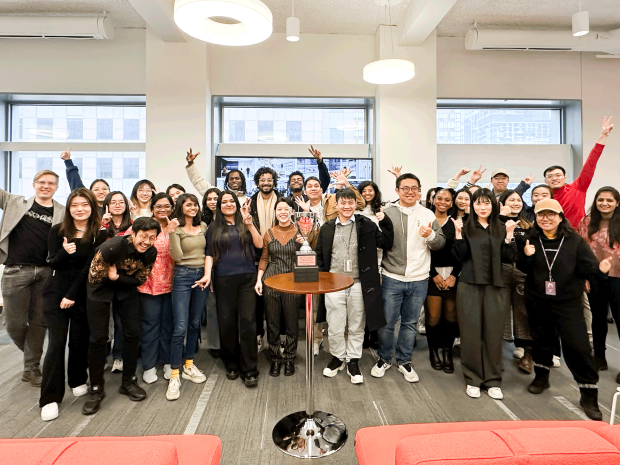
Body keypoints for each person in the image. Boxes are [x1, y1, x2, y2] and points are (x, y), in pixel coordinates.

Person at [519, 198, 609, 421]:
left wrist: (601, 270)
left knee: (577, 346)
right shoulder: (531, 238)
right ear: (536, 218)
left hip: (567, 303)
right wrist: (526, 256)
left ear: (560, 217)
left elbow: (590, 269)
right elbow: (523, 268)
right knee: (541, 340)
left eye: (551, 214)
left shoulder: (575, 241)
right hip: (537, 300)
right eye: (541, 214)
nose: (545, 218)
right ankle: (541, 376)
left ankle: (588, 394)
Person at [39, 188, 107, 421]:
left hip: (81, 292)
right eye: (75, 205)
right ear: (69, 208)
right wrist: (64, 252)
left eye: (85, 205)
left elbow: (90, 267)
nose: (80, 209)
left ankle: (77, 379)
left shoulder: (100, 233)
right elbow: (51, 262)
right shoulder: (57, 231)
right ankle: (49, 399)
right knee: (56, 344)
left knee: (79, 340)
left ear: (92, 207)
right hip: (55, 293)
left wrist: (72, 294)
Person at [371, 173, 445, 383]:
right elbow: (380, 243)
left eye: (414, 188)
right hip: (392, 276)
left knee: (410, 323)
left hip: (419, 279)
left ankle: (404, 361)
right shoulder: (387, 213)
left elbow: (440, 242)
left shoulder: (428, 214)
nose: (410, 192)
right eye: (405, 188)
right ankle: (384, 358)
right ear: (397, 191)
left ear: (420, 191)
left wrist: (429, 236)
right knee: (386, 323)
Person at [82, 217, 159, 415]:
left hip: (125, 288)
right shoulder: (112, 247)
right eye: (143, 236)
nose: (147, 242)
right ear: (133, 233)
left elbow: (139, 279)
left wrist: (118, 277)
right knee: (98, 338)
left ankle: (129, 381)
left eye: (152, 237)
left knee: (133, 334)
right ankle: (96, 388)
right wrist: (116, 279)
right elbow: (93, 276)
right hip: (99, 289)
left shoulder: (150, 252)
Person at [316, 188, 393, 384]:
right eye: (343, 202)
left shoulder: (366, 224)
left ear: (355, 205)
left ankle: (353, 360)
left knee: (357, 324)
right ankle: (338, 357)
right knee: (334, 324)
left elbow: (385, 242)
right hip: (334, 284)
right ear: (336, 205)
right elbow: (319, 255)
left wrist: (384, 220)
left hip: (359, 283)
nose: (347, 206)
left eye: (351, 202)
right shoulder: (327, 227)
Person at [0, 170, 65, 387]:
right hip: (16, 271)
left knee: (39, 321)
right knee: (13, 323)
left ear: (56, 187)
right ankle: (32, 355)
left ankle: (31, 368)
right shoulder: (14, 202)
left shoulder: (62, 212)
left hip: (46, 272)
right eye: (42, 182)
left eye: (51, 183)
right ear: (34, 184)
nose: (46, 186)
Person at [452, 188, 518, 400]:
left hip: (496, 286)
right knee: (470, 333)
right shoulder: (466, 226)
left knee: (493, 333)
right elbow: (459, 256)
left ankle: (493, 380)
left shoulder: (501, 227)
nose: (483, 207)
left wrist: (509, 236)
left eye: (487, 203)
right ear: (472, 205)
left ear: (494, 205)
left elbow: (508, 257)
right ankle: (472, 379)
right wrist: (458, 234)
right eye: (478, 203)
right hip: (469, 285)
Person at [203, 191, 263, 387]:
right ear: (219, 206)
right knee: (227, 323)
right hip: (223, 279)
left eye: (231, 201)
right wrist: (207, 274)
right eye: (224, 202)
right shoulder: (214, 227)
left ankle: (250, 369)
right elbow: (210, 253)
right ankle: (231, 363)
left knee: (248, 322)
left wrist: (250, 225)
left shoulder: (246, 222)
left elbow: (260, 245)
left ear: (236, 204)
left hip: (247, 278)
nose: (228, 204)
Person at [165, 193, 210, 400]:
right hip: (182, 276)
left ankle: (189, 365)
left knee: (194, 323)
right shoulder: (176, 228)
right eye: (188, 204)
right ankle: (175, 373)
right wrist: (172, 233)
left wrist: (207, 276)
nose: (192, 207)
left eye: (195, 204)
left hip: (202, 276)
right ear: (180, 207)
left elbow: (208, 253)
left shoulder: (203, 227)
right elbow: (178, 256)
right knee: (180, 326)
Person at [255, 198, 304, 377]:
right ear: (275, 213)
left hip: (292, 282)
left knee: (292, 323)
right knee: (273, 323)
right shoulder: (269, 233)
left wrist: (303, 243)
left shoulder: (300, 231)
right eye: (279, 209)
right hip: (271, 281)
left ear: (291, 212)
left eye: (286, 209)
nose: (282, 212)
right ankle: (276, 358)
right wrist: (259, 280)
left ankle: (290, 357)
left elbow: (309, 256)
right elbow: (264, 258)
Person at [544, 116, 613, 228]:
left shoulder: (577, 188)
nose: (554, 178)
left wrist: (603, 136)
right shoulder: (543, 196)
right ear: (546, 181)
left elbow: (590, 164)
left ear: (565, 178)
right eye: (550, 176)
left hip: (578, 236)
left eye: (558, 175)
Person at [579, 187, 620, 374]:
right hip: (595, 277)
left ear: (617, 203)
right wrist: (585, 276)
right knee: (598, 319)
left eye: (609, 200)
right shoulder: (587, 222)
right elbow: (581, 250)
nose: (604, 203)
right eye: (600, 199)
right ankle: (599, 357)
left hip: (618, 278)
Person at [136, 193, 175, 385]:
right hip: (149, 285)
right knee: (150, 325)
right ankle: (149, 365)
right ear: (152, 208)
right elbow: (129, 242)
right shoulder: (144, 224)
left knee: (169, 325)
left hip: (172, 284)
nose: (163, 209)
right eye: (158, 206)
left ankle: (167, 361)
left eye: (167, 206)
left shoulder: (175, 225)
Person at [424, 188, 461, 374]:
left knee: (451, 317)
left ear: (452, 202)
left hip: (453, 276)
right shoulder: (426, 220)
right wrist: (433, 274)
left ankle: (447, 351)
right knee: (432, 318)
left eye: (447, 199)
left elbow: (463, 252)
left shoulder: (456, 223)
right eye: (439, 198)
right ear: (433, 199)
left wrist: (454, 275)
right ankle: (433, 351)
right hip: (431, 274)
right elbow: (422, 250)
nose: (443, 202)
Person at [498, 189, 534, 374]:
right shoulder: (496, 223)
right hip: (501, 273)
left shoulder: (529, 225)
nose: (515, 203)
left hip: (522, 273)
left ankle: (527, 355)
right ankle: (496, 356)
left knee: (523, 313)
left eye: (518, 200)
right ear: (502, 202)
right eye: (511, 200)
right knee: (499, 312)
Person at [201, 187, 222, 357]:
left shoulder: (228, 219)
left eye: (216, 198)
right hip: (207, 267)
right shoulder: (201, 221)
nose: (213, 201)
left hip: (225, 267)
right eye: (209, 198)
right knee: (212, 306)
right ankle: (215, 344)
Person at [60, 148, 110, 215]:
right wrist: (68, 162)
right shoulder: (87, 209)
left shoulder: (116, 208)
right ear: (90, 193)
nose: (101, 192)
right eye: (96, 189)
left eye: (104, 188)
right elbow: (76, 182)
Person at [285, 146, 330, 211]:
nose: (296, 181)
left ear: (303, 184)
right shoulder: (286, 201)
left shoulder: (311, 197)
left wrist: (320, 162)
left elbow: (325, 180)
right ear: (289, 184)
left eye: (299, 179)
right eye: (293, 180)